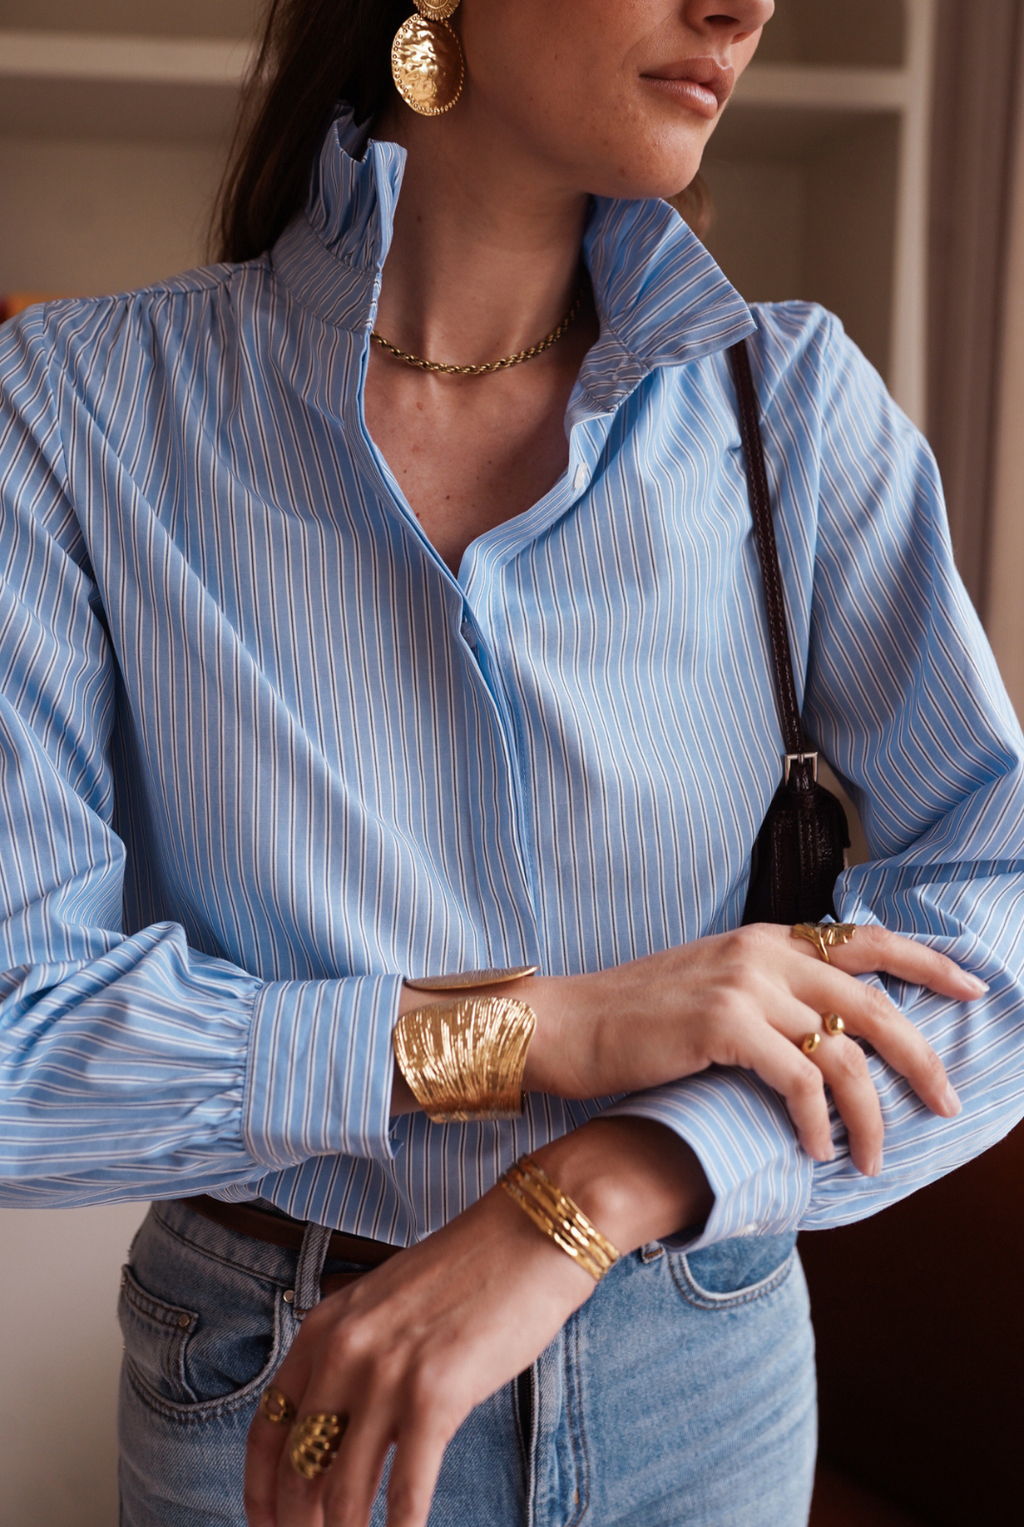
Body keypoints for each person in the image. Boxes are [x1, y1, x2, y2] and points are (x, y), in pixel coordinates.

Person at [1, 0, 1023, 1523]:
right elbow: (21, 1046)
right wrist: (536, 1028)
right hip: (283, 1389)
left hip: (706, 1370)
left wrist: (597, 1187)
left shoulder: (795, 412)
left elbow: (999, 914)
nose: (743, 7)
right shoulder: (79, 416)